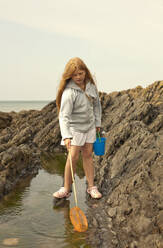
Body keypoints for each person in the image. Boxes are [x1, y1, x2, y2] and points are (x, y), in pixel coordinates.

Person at [53, 57, 102, 199]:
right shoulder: (69, 92)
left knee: (87, 155)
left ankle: (91, 187)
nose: (78, 77)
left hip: (90, 127)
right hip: (75, 129)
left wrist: (97, 123)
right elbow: (64, 116)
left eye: (81, 73)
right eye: (75, 75)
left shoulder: (91, 86)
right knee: (72, 157)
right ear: (70, 76)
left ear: (85, 72)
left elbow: (97, 105)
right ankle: (65, 189)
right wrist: (66, 135)